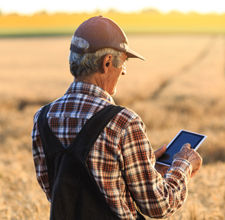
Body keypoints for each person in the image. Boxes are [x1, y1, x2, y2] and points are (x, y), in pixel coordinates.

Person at [32, 16, 202, 220]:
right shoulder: (123, 122)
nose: (124, 72)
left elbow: (57, 191)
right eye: (123, 63)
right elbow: (158, 205)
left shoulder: (42, 118)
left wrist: (142, 166)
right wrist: (183, 165)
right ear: (107, 63)